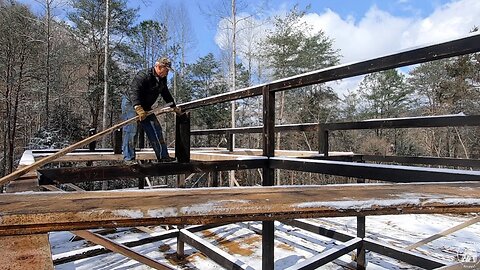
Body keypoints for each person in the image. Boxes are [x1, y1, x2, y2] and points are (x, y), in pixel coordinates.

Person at [122, 57, 182, 163]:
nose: (167, 73)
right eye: (166, 70)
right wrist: (138, 107)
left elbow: (165, 93)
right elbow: (133, 91)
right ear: (159, 67)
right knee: (132, 129)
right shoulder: (143, 75)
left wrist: (174, 106)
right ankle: (129, 158)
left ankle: (163, 157)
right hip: (131, 103)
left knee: (155, 128)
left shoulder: (162, 79)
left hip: (145, 106)